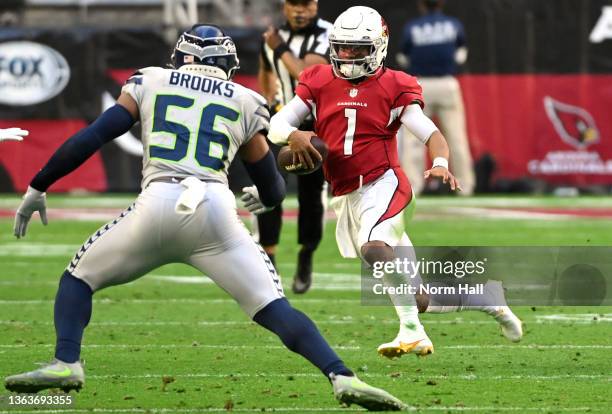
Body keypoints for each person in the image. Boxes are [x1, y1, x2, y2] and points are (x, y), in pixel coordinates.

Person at [4, 24, 407, 411]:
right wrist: (261, 198)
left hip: (159, 200)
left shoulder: (150, 80)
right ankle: (342, 375)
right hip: (215, 208)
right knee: (272, 305)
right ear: (227, 66)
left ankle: (66, 362)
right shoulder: (244, 99)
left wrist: (39, 185)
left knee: (78, 279)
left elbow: (93, 136)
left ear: (179, 58)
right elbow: (272, 189)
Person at [269, 6, 522, 358]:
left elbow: (432, 134)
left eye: (357, 49)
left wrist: (439, 163)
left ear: (379, 47)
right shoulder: (318, 79)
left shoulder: (395, 85)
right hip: (347, 195)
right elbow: (277, 125)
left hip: (385, 185)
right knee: (418, 297)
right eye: (342, 48)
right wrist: (295, 135)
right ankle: (487, 298)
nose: (348, 56)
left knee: (375, 249)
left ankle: (411, 332)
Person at [257, 0, 332, 293]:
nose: (300, 11)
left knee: (311, 196)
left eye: (306, 4)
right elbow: (265, 70)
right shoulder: (275, 38)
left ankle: (306, 254)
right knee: (268, 187)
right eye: (294, 4)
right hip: (282, 123)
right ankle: (269, 256)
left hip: (316, 125)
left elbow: (305, 75)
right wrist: (272, 100)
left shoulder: (328, 33)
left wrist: (277, 46)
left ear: (316, 5)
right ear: (284, 6)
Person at [397, 0, 475, 195]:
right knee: (456, 137)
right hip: (447, 82)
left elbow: (402, 58)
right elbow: (461, 56)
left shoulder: (413, 27)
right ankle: (465, 186)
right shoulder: (453, 24)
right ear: (441, 4)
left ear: (421, 5)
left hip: (420, 84)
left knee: (415, 138)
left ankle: (413, 186)